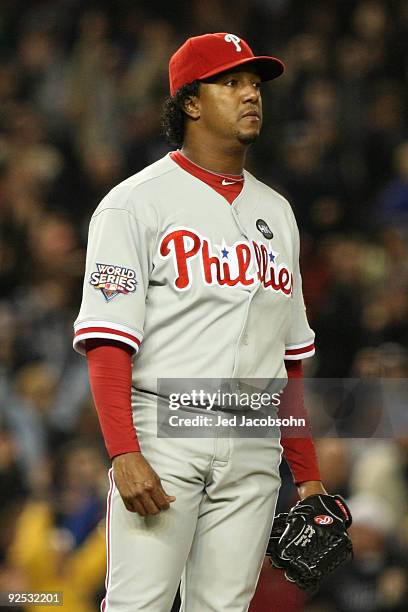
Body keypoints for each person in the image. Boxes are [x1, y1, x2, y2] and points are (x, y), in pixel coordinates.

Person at [73, 32, 326, 612]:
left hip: (254, 442)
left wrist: (307, 474)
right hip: (164, 432)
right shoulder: (135, 203)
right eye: (231, 82)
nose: (250, 95)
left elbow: (289, 363)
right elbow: (108, 343)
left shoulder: (278, 214)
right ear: (190, 101)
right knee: (140, 604)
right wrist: (122, 452)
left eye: (255, 84)